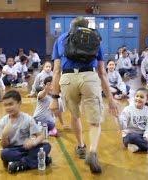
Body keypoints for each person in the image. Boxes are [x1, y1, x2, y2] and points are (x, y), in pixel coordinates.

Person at [50, 16, 118, 174]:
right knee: (95, 122)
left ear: (71, 27)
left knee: (75, 115)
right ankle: (93, 152)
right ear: (87, 26)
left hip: (67, 79)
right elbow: (102, 72)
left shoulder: (61, 38)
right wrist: (111, 99)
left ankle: (81, 146)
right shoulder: (95, 38)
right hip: (89, 77)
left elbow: (56, 71)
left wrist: (54, 98)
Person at [0, 90, 52, 173]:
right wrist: (4, 135)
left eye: (11, 104)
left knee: (47, 146)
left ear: (19, 103)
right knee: (4, 153)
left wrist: (34, 142)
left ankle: (21, 164)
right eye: (5, 105)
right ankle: (39, 160)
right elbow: (4, 146)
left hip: (28, 148)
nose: (8, 107)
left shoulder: (28, 119)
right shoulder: (2, 122)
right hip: (14, 150)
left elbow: (41, 136)